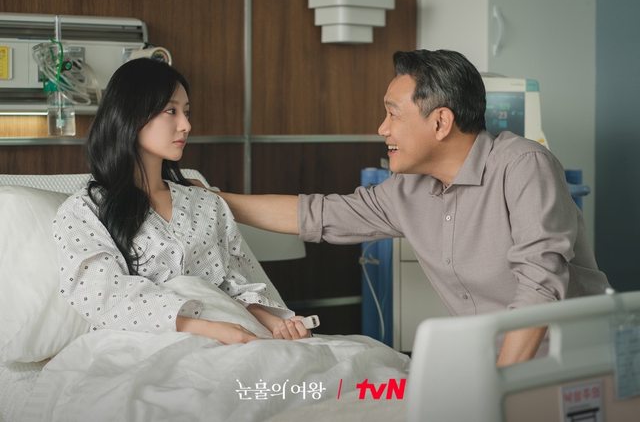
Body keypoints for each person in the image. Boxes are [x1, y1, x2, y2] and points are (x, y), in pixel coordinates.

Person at [219, 49, 610, 365]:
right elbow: (317, 215)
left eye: (393, 113)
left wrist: (498, 388)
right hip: (490, 362)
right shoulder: (408, 190)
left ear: (440, 122)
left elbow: (539, 285)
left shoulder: (522, 164)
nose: (382, 128)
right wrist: (214, 200)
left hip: (572, 361)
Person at [52, 58, 310, 344]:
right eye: (171, 111)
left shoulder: (207, 203)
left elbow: (234, 285)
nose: (186, 125)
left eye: (186, 112)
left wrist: (277, 324)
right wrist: (209, 329)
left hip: (234, 334)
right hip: (142, 345)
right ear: (131, 114)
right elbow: (103, 296)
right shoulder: (84, 211)